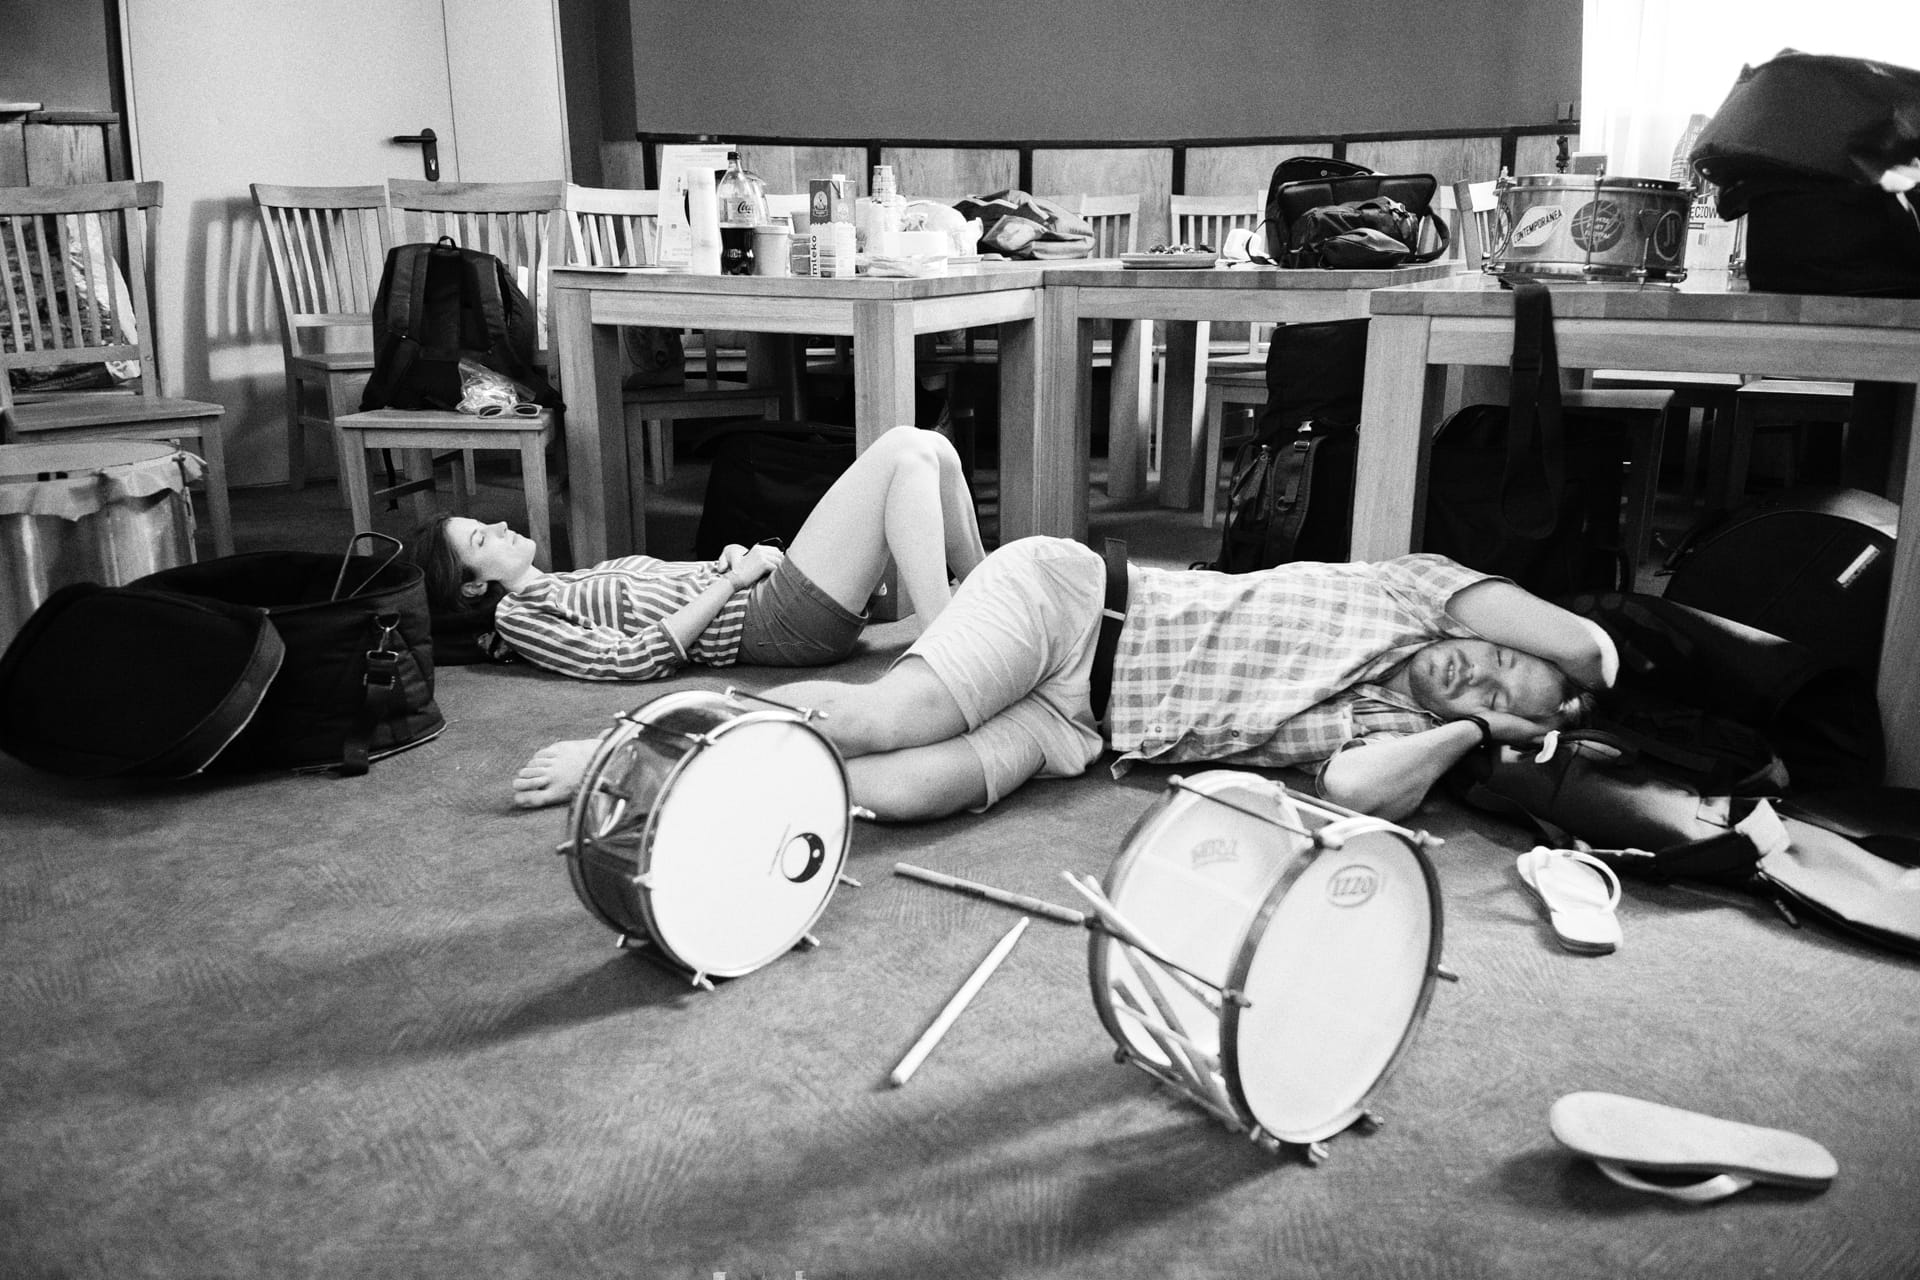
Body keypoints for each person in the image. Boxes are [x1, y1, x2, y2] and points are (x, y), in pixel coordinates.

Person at [510, 536, 1618, 820]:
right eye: (1500, 659)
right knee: (883, 716)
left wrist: (1481, 730)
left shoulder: (1389, 732)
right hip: (1074, 606)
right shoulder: (1422, 589)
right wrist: (1579, 678)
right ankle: (639, 741)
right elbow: (1591, 648)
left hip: (1082, 731)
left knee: (901, 792)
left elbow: (1363, 798)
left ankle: (702, 787)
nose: (1478, 673)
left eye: (1490, 697)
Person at [414, 425, 985, 682]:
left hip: (768, 597)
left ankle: (984, 598)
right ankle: (948, 651)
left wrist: (724, 560)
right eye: (481, 539)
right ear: (472, 585)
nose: (500, 524)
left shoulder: (567, 581)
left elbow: (667, 594)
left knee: (933, 448)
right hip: (770, 621)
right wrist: (731, 584)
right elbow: (630, 660)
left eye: (486, 523)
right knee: (904, 450)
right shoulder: (518, 617)